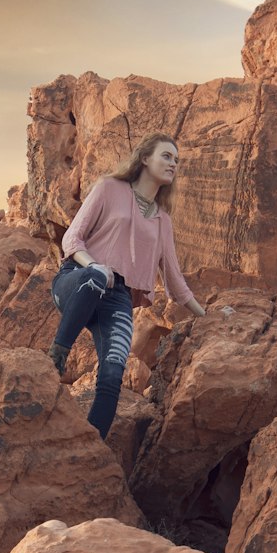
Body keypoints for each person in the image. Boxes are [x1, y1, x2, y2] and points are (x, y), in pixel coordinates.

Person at [49, 132, 229, 438]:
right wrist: (95, 266)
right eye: (166, 156)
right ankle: (56, 358)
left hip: (117, 298)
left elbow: (175, 281)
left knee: (112, 376)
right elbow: (71, 238)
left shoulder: (162, 221)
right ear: (145, 158)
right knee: (97, 278)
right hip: (77, 280)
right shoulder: (109, 188)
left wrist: (207, 316)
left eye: (177, 159)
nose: (173, 163)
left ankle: (93, 447)